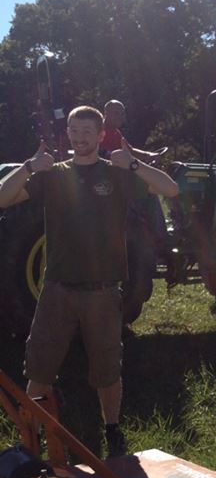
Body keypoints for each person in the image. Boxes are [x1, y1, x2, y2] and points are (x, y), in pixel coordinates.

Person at [0, 105, 180, 457]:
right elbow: (2, 198)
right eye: (74, 130)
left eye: (87, 131)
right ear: (67, 133)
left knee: (107, 367)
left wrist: (133, 162)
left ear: (101, 135)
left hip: (103, 292)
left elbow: (170, 189)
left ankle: (112, 429)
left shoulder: (116, 175)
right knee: (40, 363)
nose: (80, 137)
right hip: (56, 290)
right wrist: (27, 168)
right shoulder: (52, 176)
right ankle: (32, 431)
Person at [102, 99, 167, 163]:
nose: (120, 117)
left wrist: (149, 155)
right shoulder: (98, 131)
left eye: (122, 114)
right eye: (116, 113)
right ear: (106, 113)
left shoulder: (116, 133)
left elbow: (131, 151)